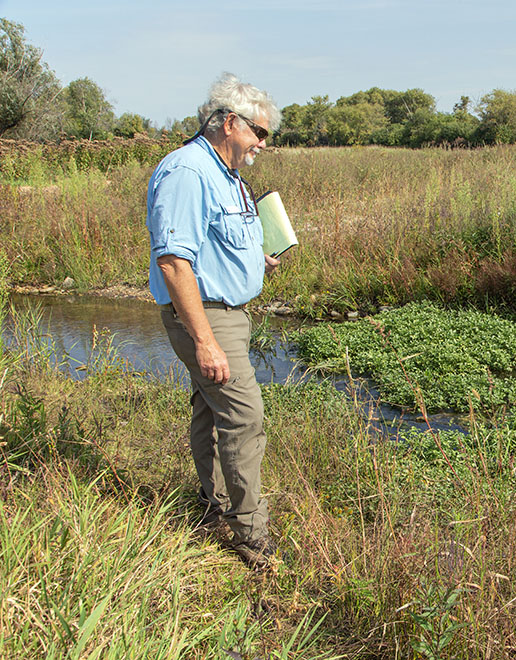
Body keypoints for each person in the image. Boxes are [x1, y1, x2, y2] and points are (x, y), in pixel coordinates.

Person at [146, 73, 281, 569]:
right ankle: (251, 535)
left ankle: (214, 507)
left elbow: (213, 242)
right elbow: (174, 262)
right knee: (244, 416)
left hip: (231, 315)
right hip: (207, 319)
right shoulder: (187, 171)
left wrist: (255, 257)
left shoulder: (226, 174)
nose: (262, 144)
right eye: (258, 133)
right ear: (230, 123)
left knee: (211, 409)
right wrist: (204, 341)